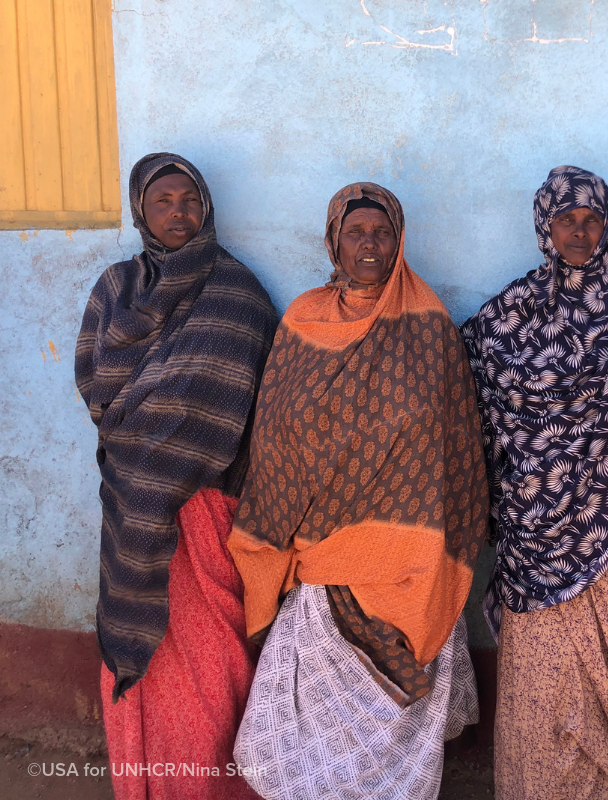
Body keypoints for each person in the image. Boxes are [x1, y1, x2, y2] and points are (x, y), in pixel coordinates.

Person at [228, 182, 489, 800]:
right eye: (355, 232)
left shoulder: (429, 328)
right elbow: (274, 438)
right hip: (320, 559)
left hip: (411, 565)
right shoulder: (302, 321)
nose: (369, 244)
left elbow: (456, 448)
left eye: (381, 232)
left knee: (395, 738)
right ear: (333, 240)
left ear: (400, 240)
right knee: (289, 751)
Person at [461, 166, 608, 800]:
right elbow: (464, 371)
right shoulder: (513, 312)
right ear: (544, 228)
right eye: (565, 220)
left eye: (591, 220)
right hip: (539, 531)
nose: (579, 232)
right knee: (541, 682)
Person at [75, 152, 277, 800]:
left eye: (188, 200)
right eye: (162, 201)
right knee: (144, 649)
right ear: (141, 209)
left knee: (213, 662)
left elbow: (258, 402)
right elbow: (97, 384)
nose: (178, 213)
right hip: (134, 509)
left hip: (210, 510)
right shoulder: (115, 288)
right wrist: (146, 446)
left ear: (207, 207)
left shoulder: (239, 294)